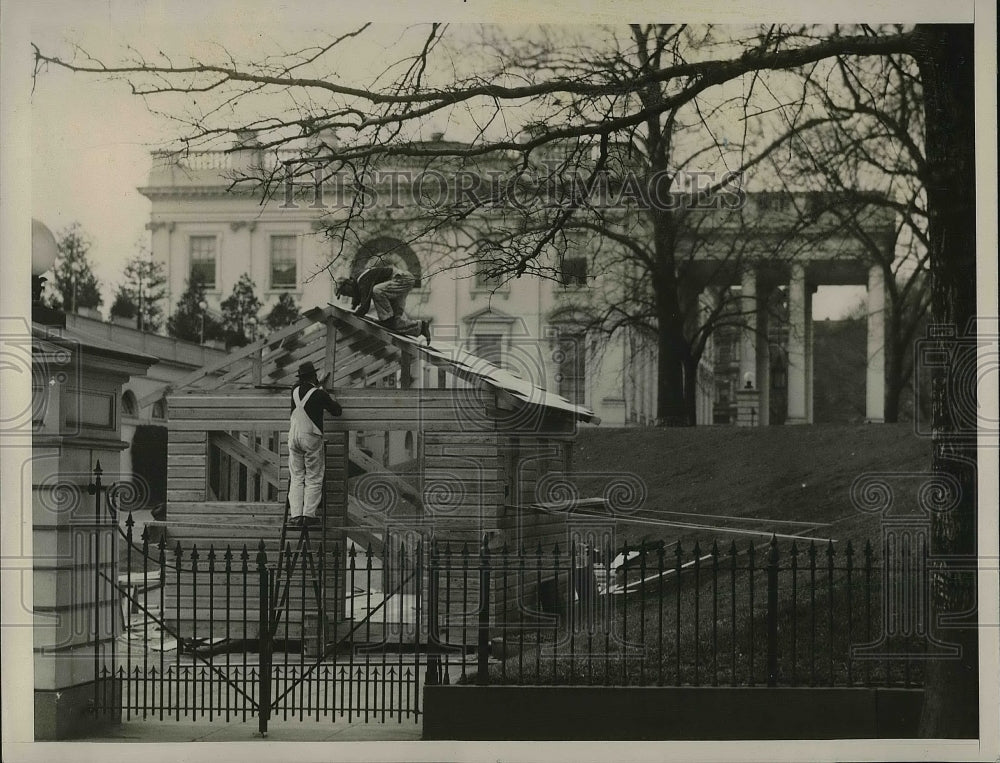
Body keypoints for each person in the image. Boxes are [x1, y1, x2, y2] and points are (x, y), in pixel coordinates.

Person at [287, 361, 342, 530]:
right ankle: (308, 515)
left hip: (293, 437)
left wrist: (318, 386)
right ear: (314, 376)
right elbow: (337, 411)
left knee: (297, 476)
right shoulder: (319, 394)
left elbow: (305, 388)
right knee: (314, 476)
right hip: (310, 437)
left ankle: (296, 515)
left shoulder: (294, 390)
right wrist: (327, 394)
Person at [337, 264, 431, 342]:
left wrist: (352, 316)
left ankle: (387, 319)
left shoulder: (363, 279)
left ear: (348, 283)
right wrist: (352, 309)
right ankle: (421, 327)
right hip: (399, 282)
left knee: (377, 291)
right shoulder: (360, 284)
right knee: (395, 324)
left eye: (345, 292)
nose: (347, 295)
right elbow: (357, 298)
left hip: (401, 279)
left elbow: (365, 306)